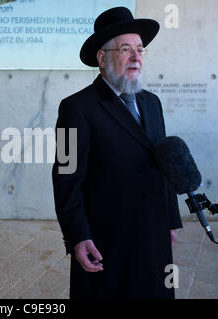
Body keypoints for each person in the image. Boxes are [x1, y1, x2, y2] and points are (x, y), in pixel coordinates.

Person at [52, 7, 183, 299]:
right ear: (102, 57)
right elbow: (66, 179)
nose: (136, 57)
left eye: (140, 49)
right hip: (107, 238)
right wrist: (78, 236)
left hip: (152, 231)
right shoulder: (76, 108)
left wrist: (171, 219)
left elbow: (164, 163)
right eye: (126, 49)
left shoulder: (152, 103)